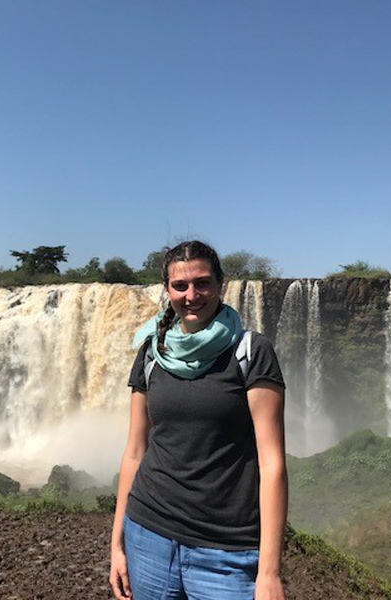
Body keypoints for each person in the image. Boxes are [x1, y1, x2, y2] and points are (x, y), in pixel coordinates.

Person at [109, 240, 287, 600]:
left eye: (202, 283)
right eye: (180, 286)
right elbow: (135, 450)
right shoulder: (152, 351)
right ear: (167, 289)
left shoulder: (251, 352)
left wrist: (269, 572)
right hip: (148, 534)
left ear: (220, 283)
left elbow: (272, 464)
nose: (192, 295)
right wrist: (118, 544)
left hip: (226, 550)